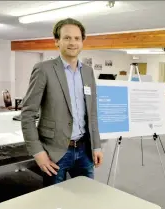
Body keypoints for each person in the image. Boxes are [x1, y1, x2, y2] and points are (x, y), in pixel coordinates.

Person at [21, 18, 103, 186]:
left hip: (84, 150)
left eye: (77, 38)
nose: (72, 42)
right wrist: (38, 152)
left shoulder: (88, 72)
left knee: (86, 197)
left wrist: (96, 146)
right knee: (54, 201)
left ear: (82, 42)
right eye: (67, 38)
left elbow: (92, 112)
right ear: (57, 41)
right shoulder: (44, 69)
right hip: (55, 151)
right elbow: (28, 114)